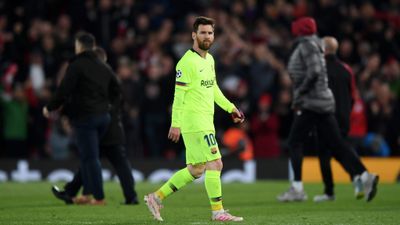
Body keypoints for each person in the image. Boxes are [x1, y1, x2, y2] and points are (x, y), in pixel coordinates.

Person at [144, 16, 244, 222]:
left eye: (210, 33)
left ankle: (156, 197)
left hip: (205, 121)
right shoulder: (186, 63)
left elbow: (213, 88)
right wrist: (175, 123)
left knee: (197, 169)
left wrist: (231, 108)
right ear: (194, 35)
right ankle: (218, 212)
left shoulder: (210, 60)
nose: (207, 36)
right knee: (216, 164)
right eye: (203, 32)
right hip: (194, 123)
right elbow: (178, 96)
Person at [277, 17, 379, 203]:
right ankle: (365, 177)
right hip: (323, 103)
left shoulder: (307, 45)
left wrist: (301, 92)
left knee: (294, 142)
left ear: (300, 31)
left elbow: (314, 72)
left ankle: (298, 189)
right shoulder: (317, 45)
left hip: (311, 103)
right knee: (337, 144)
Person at [51, 47, 139, 205]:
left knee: (90, 160)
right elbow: (120, 102)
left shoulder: (99, 81)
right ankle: (131, 196)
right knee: (113, 163)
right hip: (113, 129)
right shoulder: (112, 80)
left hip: (101, 128)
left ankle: (85, 194)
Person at [43, 32, 120, 205]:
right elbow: (117, 89)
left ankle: (99, 197)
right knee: (88, 155)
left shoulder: (77, 65)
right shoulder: (102, 66)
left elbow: (64, 90)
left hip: (86, 117)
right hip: (103, 118)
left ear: (79, 46)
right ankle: (75, 192)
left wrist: (50, 107)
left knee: (91, 158)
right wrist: (108, 107)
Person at [313, 36, 360, 202]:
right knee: (341, 150)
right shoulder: (346, 69)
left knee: (325, 154)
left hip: (326, 117)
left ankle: (329, 191)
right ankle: (356, 177)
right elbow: (353, 95)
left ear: (323, 50)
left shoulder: (320, 68)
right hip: (344, 118)